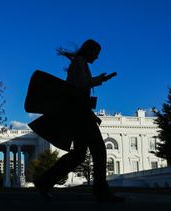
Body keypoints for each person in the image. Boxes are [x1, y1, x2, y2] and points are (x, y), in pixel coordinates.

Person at [33, 39, 124, 202]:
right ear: (88, 50)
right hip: (79, 114)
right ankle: (101, 192)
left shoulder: (80, 63)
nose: (96, 57)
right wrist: (99, 80)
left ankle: (44, 182)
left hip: (79, 113)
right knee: (99, 150)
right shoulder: (79, 62)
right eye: (95, 53)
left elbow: (79, 89)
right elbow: (80, 87)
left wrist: (98, 83)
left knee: (79, 155)